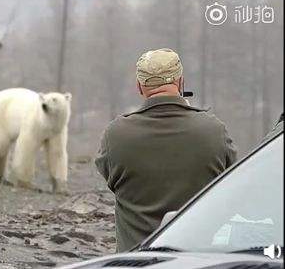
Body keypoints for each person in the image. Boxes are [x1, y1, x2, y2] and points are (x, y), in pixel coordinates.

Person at [95, 48, 237, 252]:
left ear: (139, 87)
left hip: (136, 262)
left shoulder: (116, 135)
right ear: (180, 82)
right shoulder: (213, 130)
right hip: (198, 260)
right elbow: (231, 178)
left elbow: (110, 177)